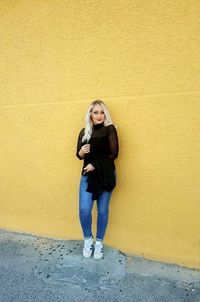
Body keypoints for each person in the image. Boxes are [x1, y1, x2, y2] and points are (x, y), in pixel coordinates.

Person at [76, 100, 119, 260]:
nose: (99, 115)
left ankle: (99, 243)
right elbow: (78, 156)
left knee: (102, 211)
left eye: (102, 112)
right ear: (90, 114)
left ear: (105, 114)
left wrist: (95, 164)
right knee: (84, 210)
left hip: (106, 174)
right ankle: (88, 239)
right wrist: (81, 151)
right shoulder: (84, 132)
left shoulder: (110, 129)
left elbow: (114, 154)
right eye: (95, 112)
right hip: (88, 176)